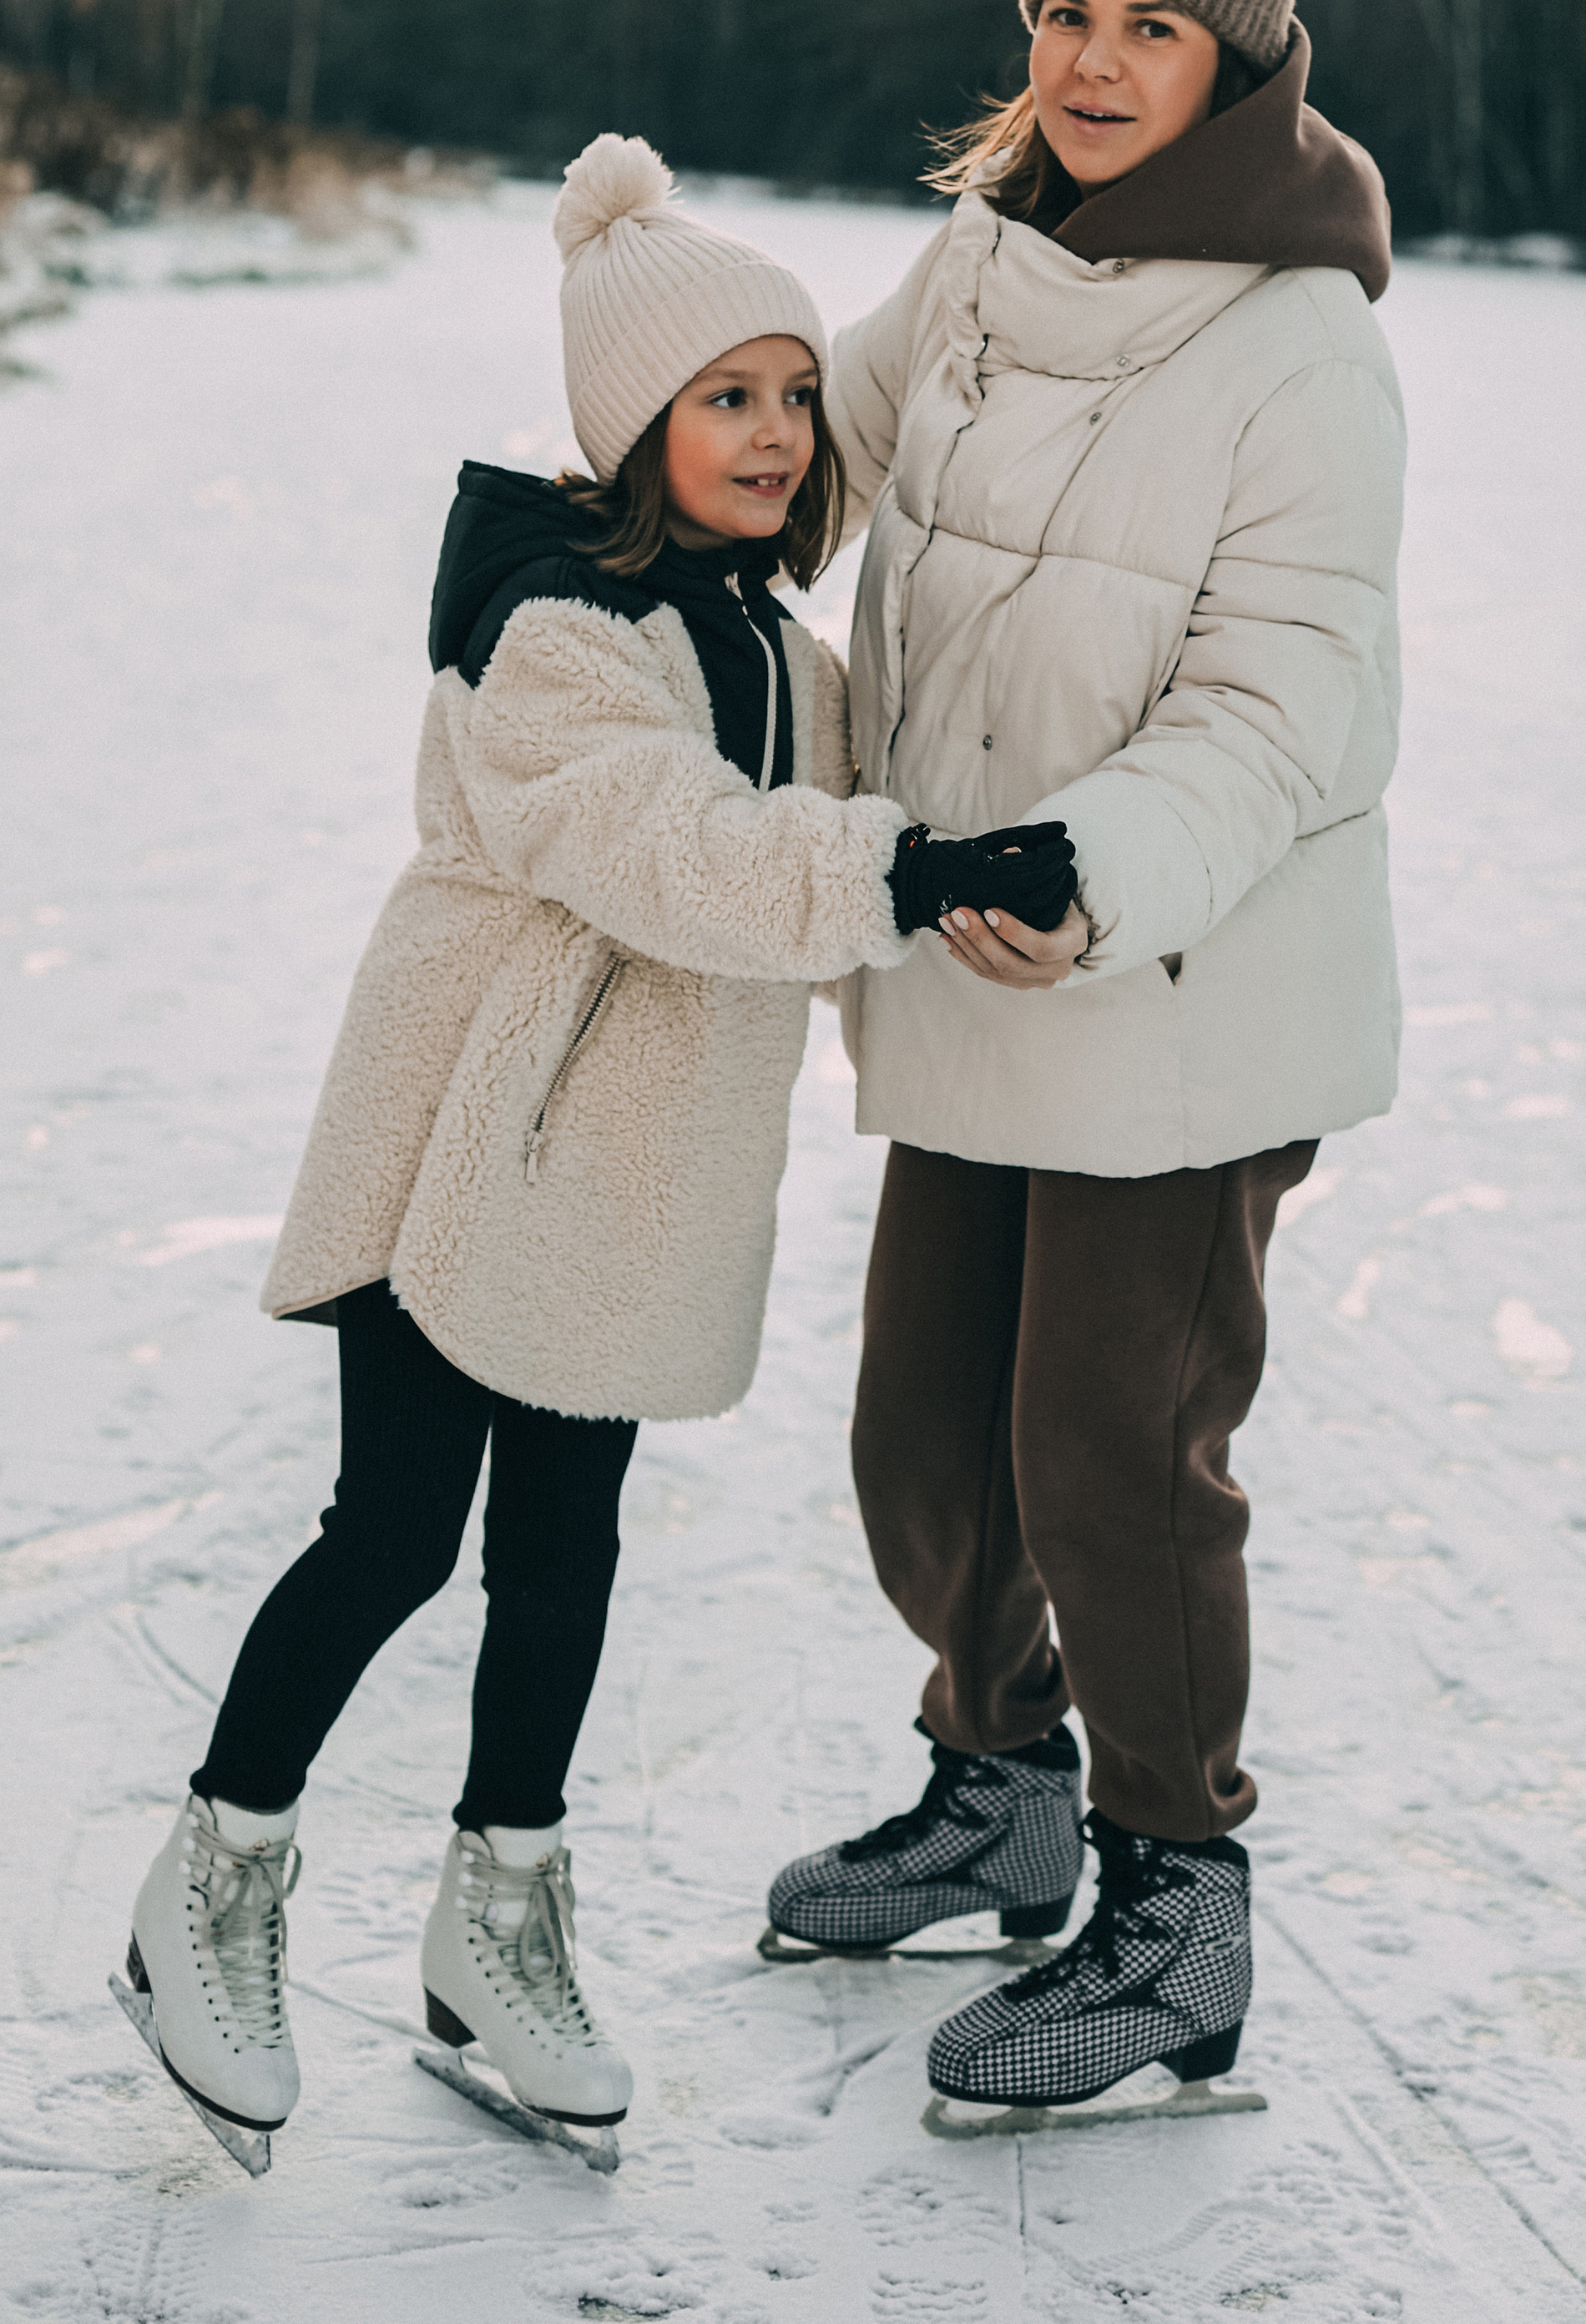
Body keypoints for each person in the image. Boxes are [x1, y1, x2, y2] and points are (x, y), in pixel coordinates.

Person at [118, 136, 1075, 2172]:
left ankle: (497, 1923)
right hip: (469, 1143)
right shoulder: (554, 626)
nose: (773, 431)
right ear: (634, 426)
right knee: (393, 1533)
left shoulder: (786, 658)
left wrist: (992, 901)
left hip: (628, 1185)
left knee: (563, 1563)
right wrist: (910, 871)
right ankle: (210, 1879)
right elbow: (672, 847)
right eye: (724, 398)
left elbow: (815, 881)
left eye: (793, 394)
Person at [763, 0, 1405, 2120]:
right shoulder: (977, 267)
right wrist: (628, 520)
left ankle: (1173, 1901)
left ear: (1238, 57)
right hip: (976, 955)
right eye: (1066, 10)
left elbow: (1284, 703)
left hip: (1177, 982)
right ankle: (999, 1791)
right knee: (927, 1445)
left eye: (1151, 24)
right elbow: (811, 454)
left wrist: (1091, 863)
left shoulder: (1303, 343)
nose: (1096, 61)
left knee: (1112, 1457)